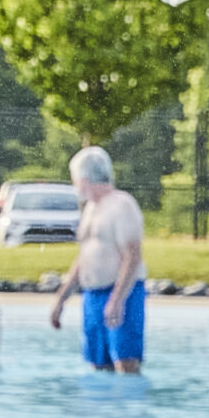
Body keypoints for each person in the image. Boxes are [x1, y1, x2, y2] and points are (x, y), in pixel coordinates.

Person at [48, 146, 145, 374]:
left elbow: (132, 255)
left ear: (84, 179)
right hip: (93, 296)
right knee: (98, 365)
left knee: (125, 363)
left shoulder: (122, 205)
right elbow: (84, 259)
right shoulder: (91, 208)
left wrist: (117, 299)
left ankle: (128, 408)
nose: (75, 187)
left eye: (74, 180)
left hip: (122, 293)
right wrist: (60, 300)